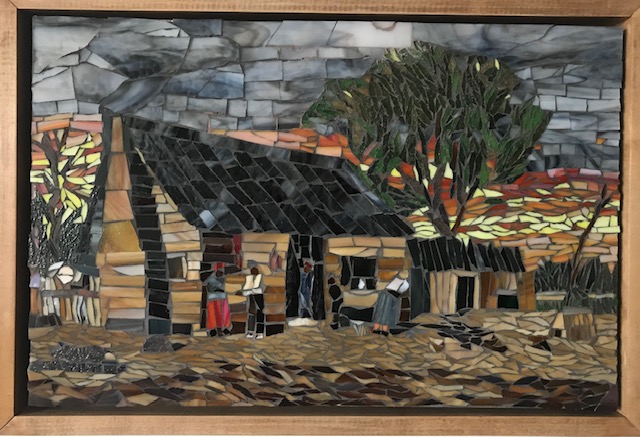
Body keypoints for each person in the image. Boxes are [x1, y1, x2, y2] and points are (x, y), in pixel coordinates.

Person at [240, 266, 265, 339]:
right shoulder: (249, 279)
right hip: (252, 297)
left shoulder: (260, 278)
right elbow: (245, 290)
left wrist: (251, 290)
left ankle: (259, 333)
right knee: (252, 314)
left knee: (259, 314)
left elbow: (261, 289)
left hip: (259, 297)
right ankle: (250, 332)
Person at [205, 270, 231, 336]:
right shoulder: (211, 279)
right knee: (214, 313)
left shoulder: (222, 279)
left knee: (222, 313)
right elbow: (210, 288)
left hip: (219, 298)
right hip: (215, 297)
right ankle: (215, 329)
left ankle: (220, 328)